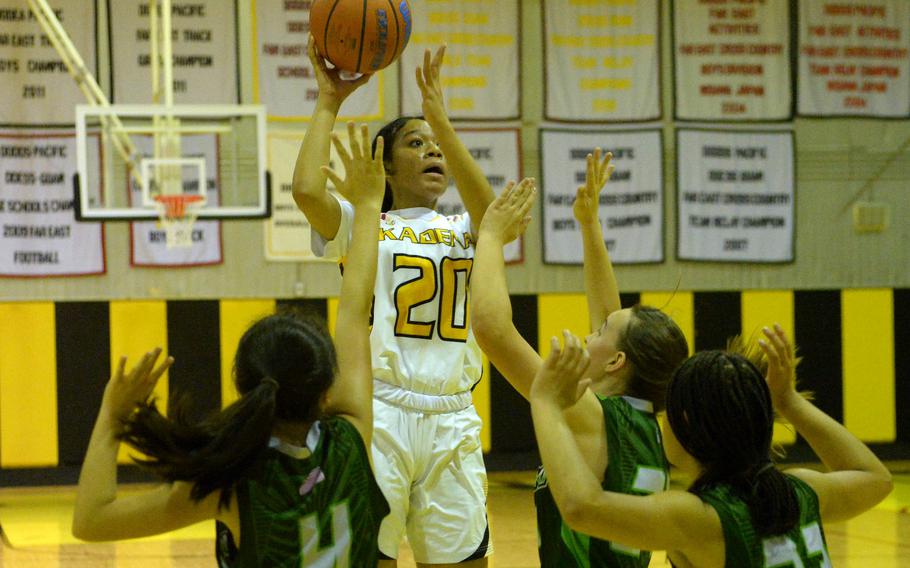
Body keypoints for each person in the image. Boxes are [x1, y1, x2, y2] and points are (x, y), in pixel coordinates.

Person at [72, 125, 390, 567]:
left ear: (244, 385)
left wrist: (113, 415)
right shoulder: (353, 435)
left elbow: (91, 521)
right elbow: (356, 310)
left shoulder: (233, 485)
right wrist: (370, 206)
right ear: (326, 392)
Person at [293, 37, 496, 567]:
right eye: (415, 143)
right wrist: (329, 102)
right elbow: (306, 192)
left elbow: (494, 215)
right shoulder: (364, 224)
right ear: (384, 166)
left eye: (436, 146)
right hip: (378, 411)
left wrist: (441, 122)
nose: (431, 151)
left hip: (452, 417)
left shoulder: (463, 228)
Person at [472, 150, 689, 567]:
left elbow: (491, 329)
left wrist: (491, 238)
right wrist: (590, 224)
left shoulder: (588, 414)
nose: (593, 330)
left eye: (601, 332)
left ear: (615, 362)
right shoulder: (643, 423)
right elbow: (611, 314)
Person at [530, 325, 894, 567]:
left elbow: (582, 508)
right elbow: (874, 477)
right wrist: (789, 401)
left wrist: (546, 404)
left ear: (685, 421)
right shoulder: (802, 491)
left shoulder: (699, 518)